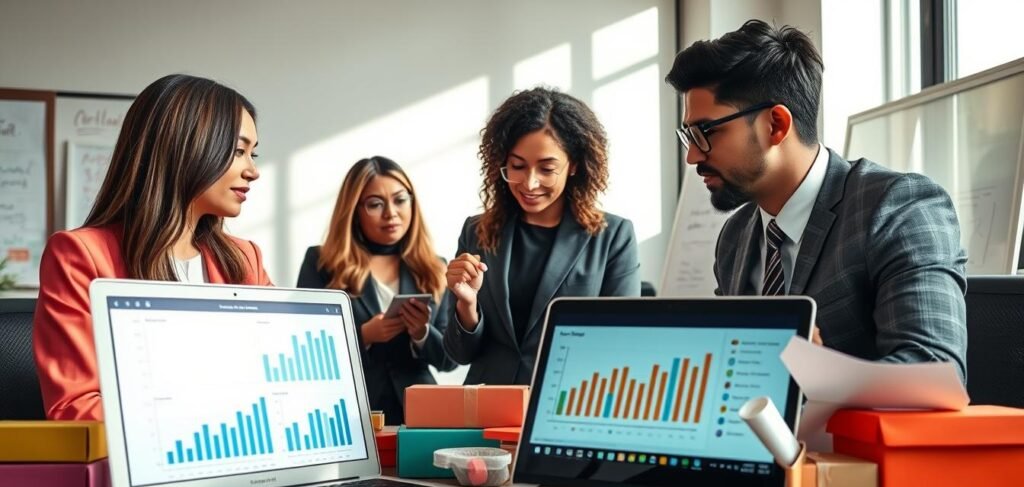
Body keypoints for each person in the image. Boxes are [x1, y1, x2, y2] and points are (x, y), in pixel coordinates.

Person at [665, 20, 967, 380]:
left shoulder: (900, 208)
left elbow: (934, 374)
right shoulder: (735, 236)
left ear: (775, 125)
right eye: (689, 136)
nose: (693, 157)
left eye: (705, 133)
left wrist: (817, 372)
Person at [34, 74, 272, 421]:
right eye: (238, 151)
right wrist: (207, 416)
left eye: (253, 153)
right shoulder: (80, 255)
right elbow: (75, 408)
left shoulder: (244, 258)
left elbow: (275, 381)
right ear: (184, 146)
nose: (253, 171)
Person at [445, 88, 641, 385]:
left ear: (574, 164)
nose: (530, 182)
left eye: (547, 168)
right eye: (517, 166)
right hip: (486, 408)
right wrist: (467, 304)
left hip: (567, 401)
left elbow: (620, 342)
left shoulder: (612, 237)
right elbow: (460, 353)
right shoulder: (477, 231)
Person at [296, 156, 456, 424]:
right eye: (375, 204)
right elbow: (304, 351)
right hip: (349, 412)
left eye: (400, 199)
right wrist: (363, 336)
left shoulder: (434, 267)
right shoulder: (322, 262)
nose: (391, 213)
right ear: (354, 210)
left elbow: (449, 361)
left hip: (421, 414)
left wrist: (422, 334)